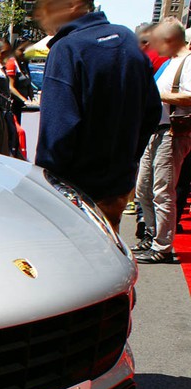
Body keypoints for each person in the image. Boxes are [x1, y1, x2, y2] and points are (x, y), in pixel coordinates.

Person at [34, 0, 161, 232]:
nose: (42, 16)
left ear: (72, 5)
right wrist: (128, 163)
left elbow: (56, 134)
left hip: (76, 192)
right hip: (118, 186)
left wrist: (47, 187)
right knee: (111, 255)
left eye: (46, 7)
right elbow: (152, 111)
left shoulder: (67, 48)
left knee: (77, 261)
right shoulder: (127, 40)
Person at [133, 18, 191, 263]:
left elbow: (189, 97)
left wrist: (154, 94)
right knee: (143, 188)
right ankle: (152, 236)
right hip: (158, 131)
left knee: (162, 191)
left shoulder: (187, 62)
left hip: (171, 132)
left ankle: (162, 246)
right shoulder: (171, 62)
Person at [9, 39, 35, 124]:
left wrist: (33, 100)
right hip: (13, 106)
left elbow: (28, 85)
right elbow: (11, 87)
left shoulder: (24, 65)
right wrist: (24, 100)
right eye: (21, 50)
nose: (23, 53)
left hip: (22, 107)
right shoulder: (11, 63)